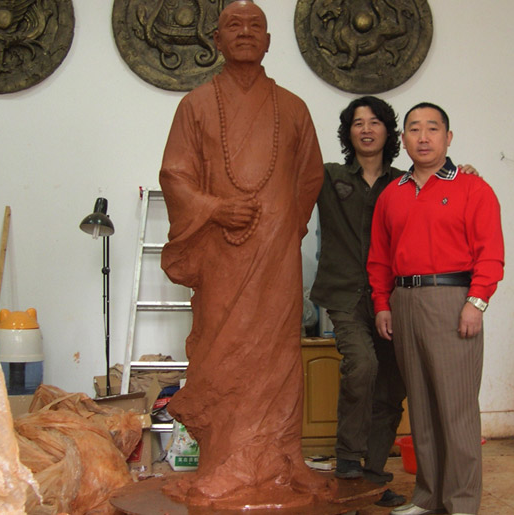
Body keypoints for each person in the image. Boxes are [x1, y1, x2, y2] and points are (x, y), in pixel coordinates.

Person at [159, 0, 336, 508]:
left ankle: (282, 459)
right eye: (233, 25)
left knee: (278, 355)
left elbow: (310, 176)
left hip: (276, 258)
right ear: (216, 40)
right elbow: (175, 175)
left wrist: (282, 227)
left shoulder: (293, 108)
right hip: (222, 255)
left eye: (255, 25)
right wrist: (216, 209)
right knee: (223, 353)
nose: (244, 32)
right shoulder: (195, 105)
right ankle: (225, 462)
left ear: (268, 41)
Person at [367, 102, 504, 515]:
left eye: (432, 128)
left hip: (452, 300)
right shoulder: (392, 194)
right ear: (403, 139)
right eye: (414, 129)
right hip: (404, 301)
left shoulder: (473, 188)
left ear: (448, 137)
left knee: (456, 409)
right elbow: (379, 258)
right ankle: (428, 497)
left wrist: (476, 302)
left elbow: (491, 253)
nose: (423, 137)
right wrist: (382, 304)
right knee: (422, 407)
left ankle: (461, 503)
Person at [310, 96, 407, 508]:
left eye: (374, 122)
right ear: (348, 133)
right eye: (357, 123)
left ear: (388, 131)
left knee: (391, 387)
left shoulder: (405, 183)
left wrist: (464, 173)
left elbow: (446, 198)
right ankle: (349, 460)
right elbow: (284, 177)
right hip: (345, 293)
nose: (366, 129)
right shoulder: (328, 176)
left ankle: (374, 476)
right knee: (362, 365)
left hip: (394, 297)